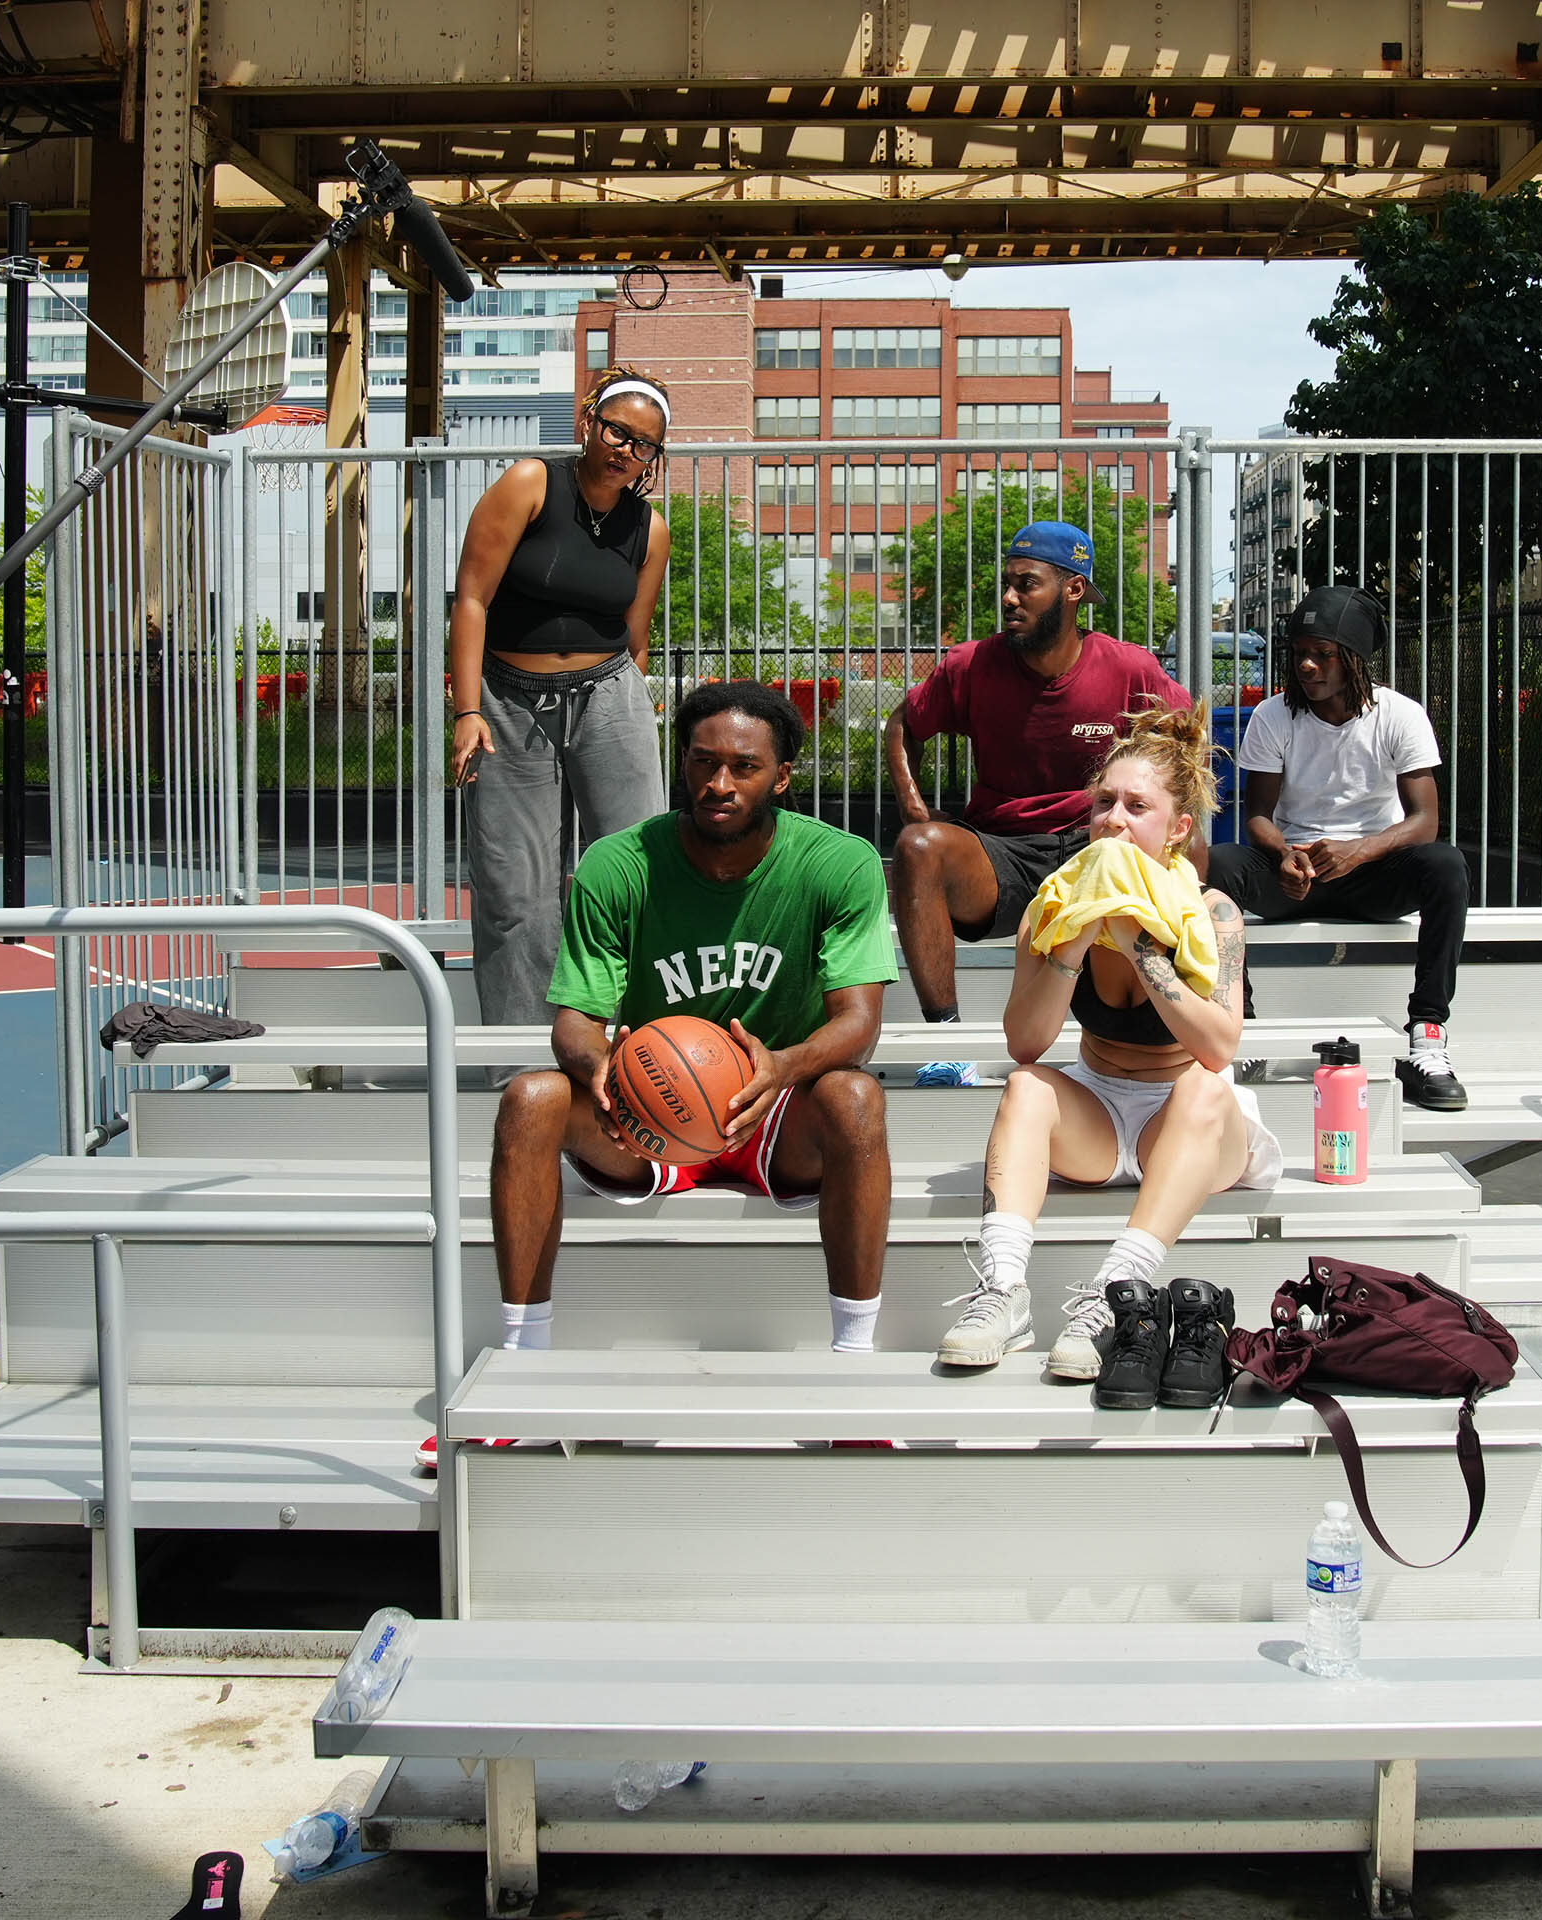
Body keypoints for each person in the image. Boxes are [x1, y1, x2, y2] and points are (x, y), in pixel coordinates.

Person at [485, 681, 895, 1368]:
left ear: (783, 776)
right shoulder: (619, 864)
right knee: (531, 1099)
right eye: (703, 763)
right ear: (683, 764)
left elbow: (859, 1022)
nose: (719, 783)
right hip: (651, 1114)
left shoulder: (838, 863)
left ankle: (854, 1359)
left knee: (856, 1098)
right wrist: (599, 1071)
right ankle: (522, 1359)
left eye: (744, 766)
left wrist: (783, 1068)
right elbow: (576, 1022)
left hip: (774, 1111)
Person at [934, 706, 1274, 1397]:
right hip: (1097, 1114)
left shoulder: (1213, 915)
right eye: (1104, 803)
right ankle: (1004, 1292)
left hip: (1189, 1123)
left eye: (1137, 806)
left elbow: (1216, 1050)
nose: (1113, 819)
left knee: (1206, 1088)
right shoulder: (1051, 909)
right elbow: (1026, 1042)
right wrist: (1078, 940)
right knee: (1027, 1086)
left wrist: (1142, 947)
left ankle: (1116, 1293)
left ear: (1178, 829)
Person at [884, 520, 1188, 1046]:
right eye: (1007, 583)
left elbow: (1186, 744)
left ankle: (1212, 1022)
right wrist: (916, 809)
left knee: (1194, 847)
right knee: (918, 847)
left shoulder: (1129, 667)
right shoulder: (970, 664)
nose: (1009, 597)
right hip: (1004, 853)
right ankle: (947, 1040)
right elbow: (902, 725)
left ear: (1072, 590)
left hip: (1101, 846)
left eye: (1027, 584)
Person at [446, 367, 677, 1027]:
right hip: (507, 701)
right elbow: (470, 600)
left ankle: (640, 1035)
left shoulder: (649, 530)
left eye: (644, 445)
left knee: (636, 873)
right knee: (514, 889)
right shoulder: (530, 483)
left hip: (609, 696)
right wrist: (467, 711)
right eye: (616, 431)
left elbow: (637, 638)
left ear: (654, 459)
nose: (625, 451)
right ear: (588, 424)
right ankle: (522, 1063)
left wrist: (634, 715)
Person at [1207, 584, 1471, 1112]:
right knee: (1217, 866)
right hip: (1295, 877)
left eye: (1322, 654)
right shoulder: (1274, 716)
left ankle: (1427, 1036)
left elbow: (1425, 821)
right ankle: (1241, 1031)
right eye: (1300, 652)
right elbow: (1258, 815)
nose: (1307, 665)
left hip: (1372, 873)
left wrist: (1360, 850)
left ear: (1353, 659)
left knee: (1446, 865)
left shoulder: (1399, 715)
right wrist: (1284, 853)